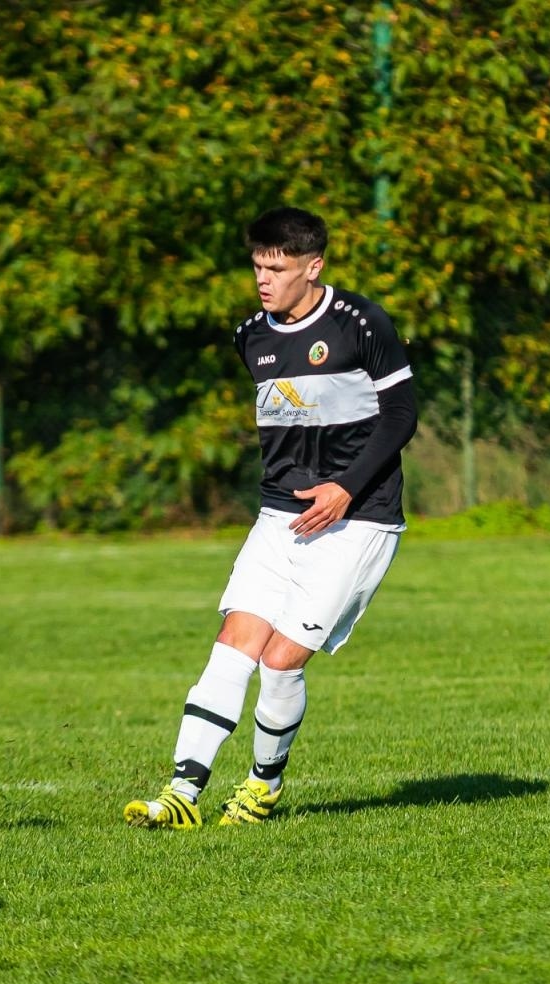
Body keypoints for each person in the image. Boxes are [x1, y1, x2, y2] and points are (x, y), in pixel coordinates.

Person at [124, 206, 418, 829]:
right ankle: (181, 793)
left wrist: (345, 488)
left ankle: (262, 786)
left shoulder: (362, 323)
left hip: (359, 520)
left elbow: (401, 418)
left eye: (277, 268)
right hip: (278, 516)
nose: (264, 279)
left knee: (282, 660)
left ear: (313, 267)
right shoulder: (250, 335)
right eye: (258, 266)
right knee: (235, 643)